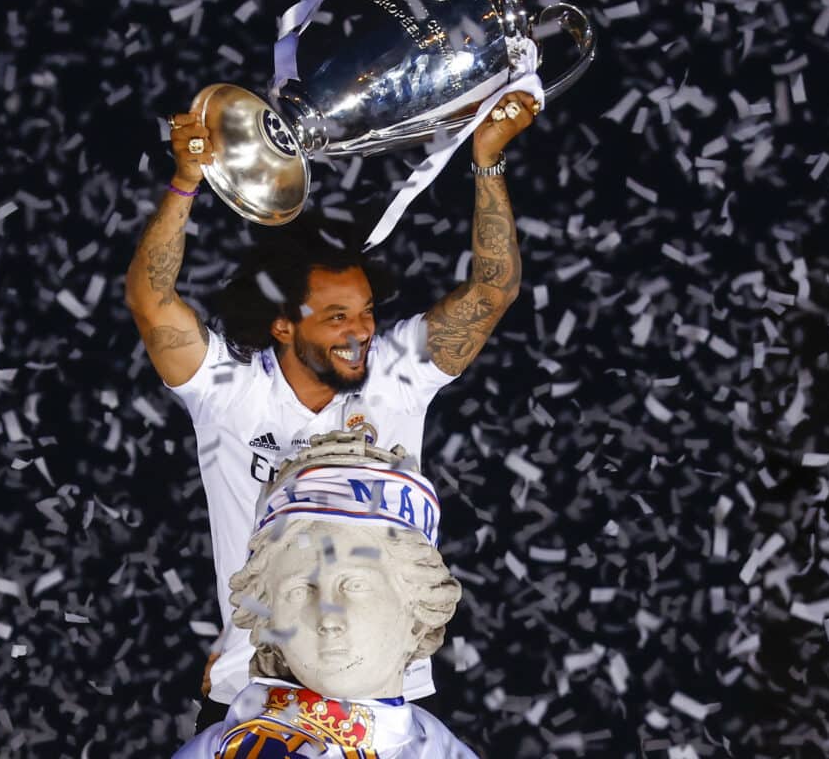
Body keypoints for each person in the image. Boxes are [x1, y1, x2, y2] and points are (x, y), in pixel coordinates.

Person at [124, 91, 540, 728]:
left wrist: (487, 160)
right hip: (260, 682)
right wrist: (185, 182)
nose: (361, 331)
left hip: (387, 680)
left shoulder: (397, 373)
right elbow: (152, 301)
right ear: (284, 326)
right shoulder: (231, 391)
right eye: (338, 316)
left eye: (367, 311)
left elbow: (495, 288)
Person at [172, 435, 474, 757]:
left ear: (418, 614)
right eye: (299, 590)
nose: (328, 617)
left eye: (354, 585)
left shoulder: (439, 749)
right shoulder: (223, 751)